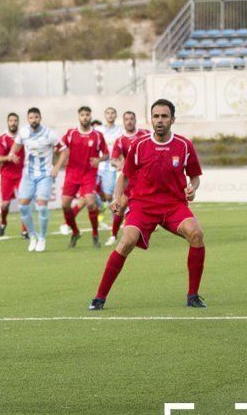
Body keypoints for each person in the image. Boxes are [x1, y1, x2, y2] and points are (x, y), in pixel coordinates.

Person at [89, 99, 207, 310]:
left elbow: (195, 176)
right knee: (126, 242)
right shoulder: (139, 145)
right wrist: (117, 198)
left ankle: (193, 296)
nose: (159, 120)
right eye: (156, 116)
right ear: (150, 119)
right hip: (143, 205)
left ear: (172, 119)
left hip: (174, 205)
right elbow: (124, 176)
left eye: (164, 116)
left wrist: (192, 188)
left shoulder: (184, 145)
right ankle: (99, 297)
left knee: (196, 234)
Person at [52, 106, 109, 248]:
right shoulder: (71, 133)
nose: (85, 117)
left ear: (90, 116)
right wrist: (56, 153)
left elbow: (106, 154)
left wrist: (99, 160)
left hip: (89, 174)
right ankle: (75, 232)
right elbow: (60, 147)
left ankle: (95, 234)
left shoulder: (97, 136)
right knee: (65, 205)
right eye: (82, 115)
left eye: (87, 115)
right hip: (72, 173)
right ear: (79, 117)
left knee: (90, 202)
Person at [8, 107, 60, 252]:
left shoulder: (50, 134)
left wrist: (56, 167)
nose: (34, 120)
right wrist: (12, 153)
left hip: (45, 175)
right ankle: (32, 235)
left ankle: (42, 238)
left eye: (36, 117)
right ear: (28, 119)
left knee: (42, 205)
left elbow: (64, 150)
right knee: (23, 206)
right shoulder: (23, 132)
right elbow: (16, 145)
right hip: (28, 175)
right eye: (31, 118)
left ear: (40, 118)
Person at [107, 111, 149, 246]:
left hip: (147, 177)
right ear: (123, 122)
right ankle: (113, 235)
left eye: (131, 118)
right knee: (121, 205)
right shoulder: (120, 140)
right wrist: (119, 164)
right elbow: (113, 159)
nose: (129, 121)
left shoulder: (145, 134)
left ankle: (143, 231)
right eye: (126, 119)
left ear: (135, 120)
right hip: (131, 178)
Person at [0, 112, 27, 238]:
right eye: (11, 121)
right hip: (7, 176)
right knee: (5, 205)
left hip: (22, 175)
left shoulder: (23, 137)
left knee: (23, 203)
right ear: (8, 122)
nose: (13, 123)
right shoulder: (3, 138)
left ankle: (25, 230)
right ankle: (3, 222)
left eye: (15, 120)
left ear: (18, 122)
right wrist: (8, 157)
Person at [96, 108, 123, 222]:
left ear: (116, 115)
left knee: (111, 196)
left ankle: (116, 220)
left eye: (113, 113)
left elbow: (123, 148)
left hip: (112, 168)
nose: (110, 115)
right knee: (91, 190)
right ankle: (102, 206)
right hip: (97, 166)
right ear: (104, 115)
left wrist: (121, 162)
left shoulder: (120, 131)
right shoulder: (98, 130)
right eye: (108, 113)